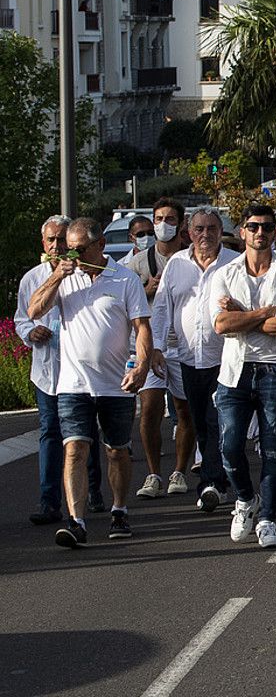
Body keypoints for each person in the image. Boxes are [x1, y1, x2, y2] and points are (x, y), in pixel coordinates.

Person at [26, 217, 152, 547]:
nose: (73, 256)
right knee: (75, 449)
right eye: (69, 250)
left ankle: (119, 510)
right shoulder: (65, 278)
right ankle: (76, 521)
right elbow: (33, 310)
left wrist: (140, 368)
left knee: (116, 452)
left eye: (80, 250)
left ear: (100, 246)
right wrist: (56, 276)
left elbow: (142, 329)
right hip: (73, 383)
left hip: (115, 383)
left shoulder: (125, 279)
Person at [210, 205, 276, 550]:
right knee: (230, 446)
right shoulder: (225, 273)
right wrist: (264, 312)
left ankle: (267, 518)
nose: (260, 233)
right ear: (242, 231)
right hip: (234, 372)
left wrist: (241, 313)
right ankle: (244, 499)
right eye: (253, 226)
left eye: (267, 227)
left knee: (272, 448)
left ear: (275, 232)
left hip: (274, 370)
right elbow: (221, 326)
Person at [16, 215, 105, 525]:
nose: (55, 246)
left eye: (61, 240)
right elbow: (22, 318)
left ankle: (92, 490)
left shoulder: (84, 273)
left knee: (84, 434)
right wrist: (30, 333)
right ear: (44, 244)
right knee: (51, 433)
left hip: (80, 372)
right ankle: (49, 501)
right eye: (50, 240)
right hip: (48, 372)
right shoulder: (32, 278)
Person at [149, 206, 239, 513]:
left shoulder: (233, 263)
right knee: (198, 420)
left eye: (211, 229)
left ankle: (213, 483)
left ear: (220, 231)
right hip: (187, 357)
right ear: (189, 232)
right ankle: (219, 479)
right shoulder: (176, 264)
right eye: (199, 229)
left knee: (219, 421)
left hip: (226, 357)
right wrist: (157, 346)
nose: (205, 235)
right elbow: (162, 307)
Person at [130, 198, 195, 501]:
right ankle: (154, 472)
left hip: (183, 347)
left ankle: (180, 470)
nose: (163, 225)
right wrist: (147, 290)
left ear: (181, 224)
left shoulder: (191, 259)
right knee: (150, 410)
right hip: (150, 347)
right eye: (158, 218)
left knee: (184, 410)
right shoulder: (139, 262)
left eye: (170, 219)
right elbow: (124, 302)